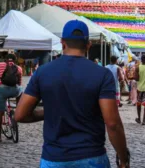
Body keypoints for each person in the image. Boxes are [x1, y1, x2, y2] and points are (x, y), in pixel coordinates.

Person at [14, 20, 129, 167]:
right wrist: (123, 158)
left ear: (62, 43)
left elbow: (20, 115)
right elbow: (112, 123)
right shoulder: (102, 75)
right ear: (88, 45)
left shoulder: (42, 73)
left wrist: (47, 112)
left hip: (54, 159)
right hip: (91, 157)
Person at [0, 53, 23, 142]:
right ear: (14, 60)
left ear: (4, 59)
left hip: (3, 90)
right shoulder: (19, 68)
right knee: (20, 91)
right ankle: (18, 109)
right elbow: (19, 82)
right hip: (15, 91)